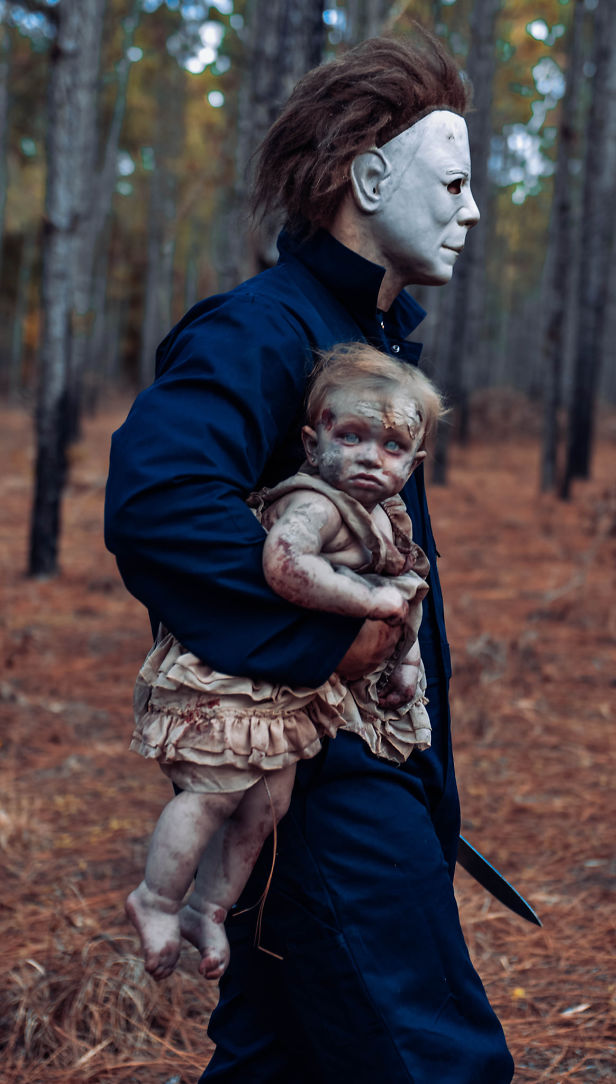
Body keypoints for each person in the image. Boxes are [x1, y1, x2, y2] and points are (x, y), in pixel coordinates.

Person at [105, 31, 514, 1084]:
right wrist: (331, 637)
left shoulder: (361, 336)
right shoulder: (261, 330)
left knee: (275, 1060)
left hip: (346, 779)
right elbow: (158, 502)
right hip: (324, 787)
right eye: (455, 182)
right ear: (369, 179)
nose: (472, 211)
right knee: (438, 1064)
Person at [125, 344, 440, 983]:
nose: (370, 458)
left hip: (291, 698)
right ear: (312, 439)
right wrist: (368, 598)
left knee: (266, 805)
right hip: (242, 683)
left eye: (393, 447)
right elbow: (285, 565)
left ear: (416, 461)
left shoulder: (389, 518)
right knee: (215, 793)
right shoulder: (317, 504)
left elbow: (413, 590)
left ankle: (207, 909)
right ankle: (155, 899)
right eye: (350, 436)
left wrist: (408, 661)